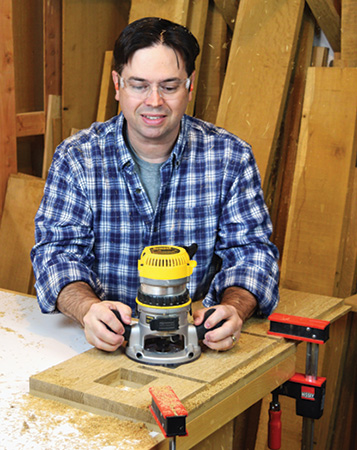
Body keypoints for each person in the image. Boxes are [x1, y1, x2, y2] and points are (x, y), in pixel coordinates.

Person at [31, 17, 279, 353]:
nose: (154, 101)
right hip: (98, 345)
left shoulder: (230, 157)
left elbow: (252, 253)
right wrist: (87, 309)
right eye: (139, 85)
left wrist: (234, 309)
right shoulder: (78, 158)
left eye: (169, 86)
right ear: (117, 85)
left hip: (198, 345)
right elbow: (55, 253)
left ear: (189, 86)